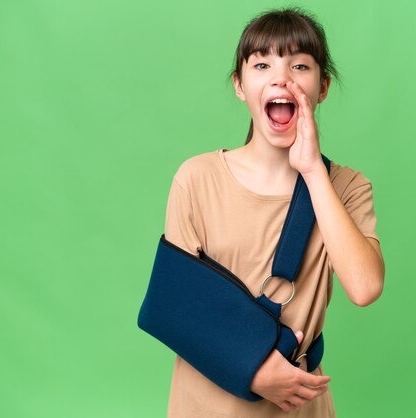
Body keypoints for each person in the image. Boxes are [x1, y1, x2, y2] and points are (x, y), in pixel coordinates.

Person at [162, 7, 385, 417]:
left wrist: (314, 171)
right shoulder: (196, 178)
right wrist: (253, 370)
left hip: (298, 407)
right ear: (240, 85)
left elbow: (365, 287)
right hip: (205, 401)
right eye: (262, 64)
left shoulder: (348, 187)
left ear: (322, 87)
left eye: (299, 65)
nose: (281, 77)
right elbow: (176, 307)